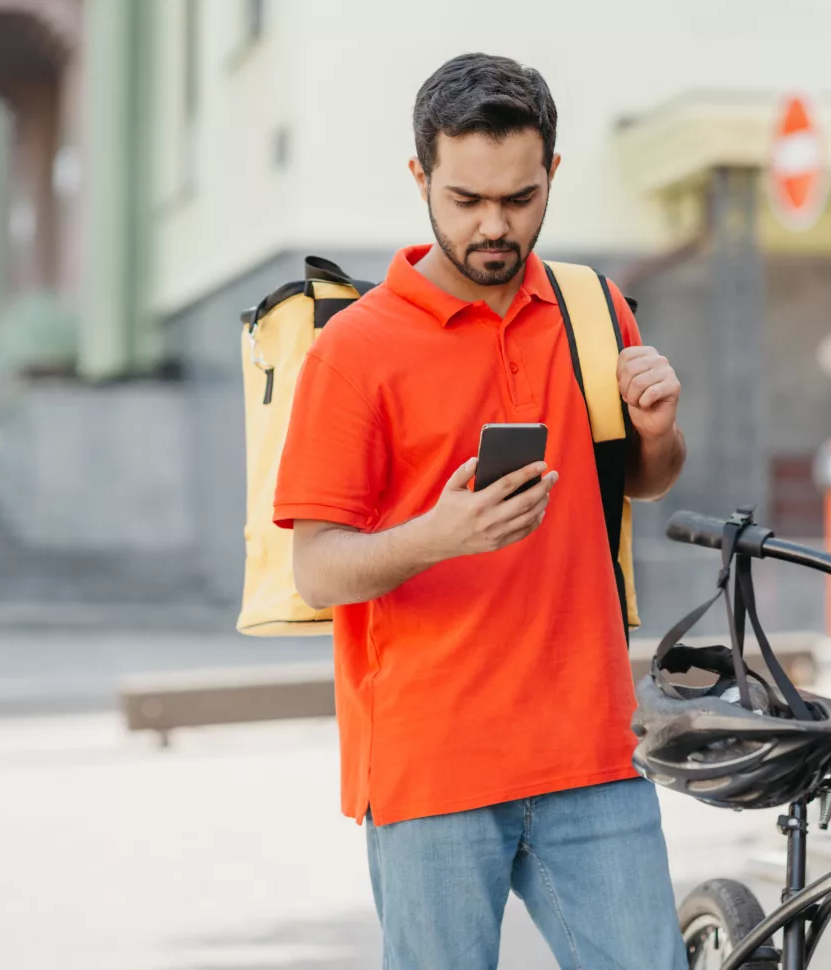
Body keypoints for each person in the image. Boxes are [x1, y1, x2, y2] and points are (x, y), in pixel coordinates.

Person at [273, 52, 688, 970]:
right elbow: (318, 566)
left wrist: (657, 429)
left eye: (520, 198)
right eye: (466, 200)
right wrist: (439, 536)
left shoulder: (593, 307)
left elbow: (641, 483)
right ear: (421, 176)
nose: (496, 227)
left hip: (592, 751)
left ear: (552, 175)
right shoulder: (357, 351)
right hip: (432, 767)